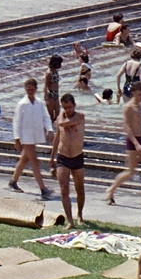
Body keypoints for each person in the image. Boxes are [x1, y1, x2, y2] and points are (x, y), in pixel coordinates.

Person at [104, 89, 141, 210]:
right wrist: (136, 144)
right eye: (139, 93)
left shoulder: (140, 106)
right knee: (131, 171)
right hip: (132, 141)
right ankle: (111, 190)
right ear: (134, 93)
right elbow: (127, 127)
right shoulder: (128, 107)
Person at [9, 77, 52, 198]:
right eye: (28, 90)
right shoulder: (22, 104)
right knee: (35, 161)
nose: (30, 92)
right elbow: (16, 122)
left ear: (36, 89)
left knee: (24, 159)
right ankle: (43, 188)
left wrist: (49, 129)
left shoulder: (39, 103)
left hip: (35, 135)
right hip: (26, 136)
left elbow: (45, 117)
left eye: (32, 89)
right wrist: (16, 138)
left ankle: (13, 181)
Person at [50, 93, 87, 227]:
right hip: (63, 157)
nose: (68, 110)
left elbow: (63, 123)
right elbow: (57, 138)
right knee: (64, 189)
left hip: (77, 156)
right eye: (65, 107)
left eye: (70, 107)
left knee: (80, 188)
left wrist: (61, 120)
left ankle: (80, 214)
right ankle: (70, 220)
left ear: (74, 106)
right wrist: (52, 157)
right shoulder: (61, 117)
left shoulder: (80, 117)